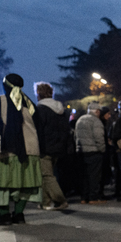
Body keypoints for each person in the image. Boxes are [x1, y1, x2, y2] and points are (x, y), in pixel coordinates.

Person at [0, 74, 42, 225]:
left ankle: (4, 215)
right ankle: (19, 214)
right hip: (30, 149)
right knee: (24, 183)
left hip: (4, 150)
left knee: (1, 183)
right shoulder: (29, 104)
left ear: (5, 86)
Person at [33, 81, 70, 211]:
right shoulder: (61, 110)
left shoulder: (40, 110)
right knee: (45, 174)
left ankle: (60, 200)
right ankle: (45, 202)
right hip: (59, 147)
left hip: (45, 147)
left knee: (47, 176)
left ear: (39, 94)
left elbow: (37, 130)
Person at [75, 102, 107, 204]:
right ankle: (93, 198)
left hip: (81, 152)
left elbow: (76, 137)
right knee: (94, 176)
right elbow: (99, 138)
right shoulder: (96, 121)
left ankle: (84, 197)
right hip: (94, 152)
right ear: (97, 111)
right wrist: (102, 150)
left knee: (84, 176)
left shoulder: (80, 119)